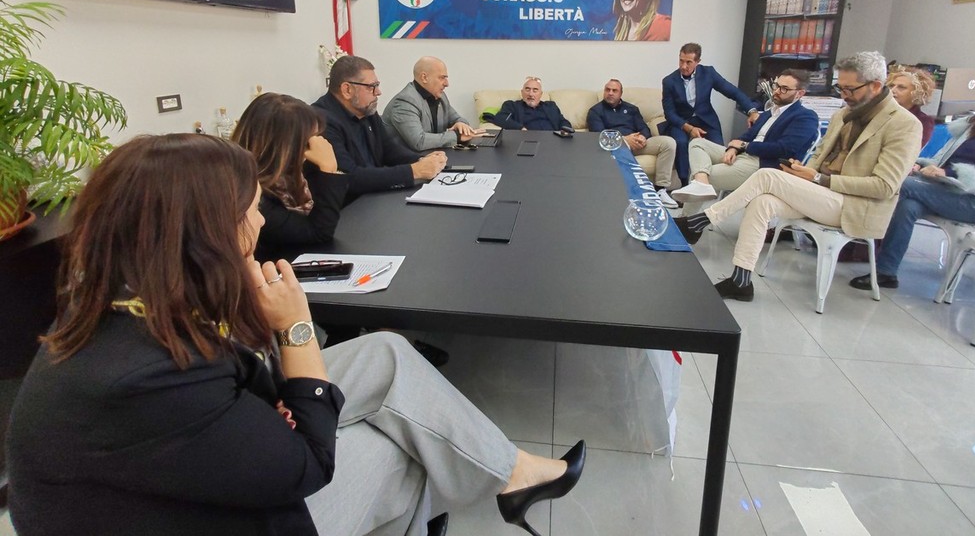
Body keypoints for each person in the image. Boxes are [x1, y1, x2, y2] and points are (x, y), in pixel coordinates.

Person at [6, 134, 586, 536]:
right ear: (204, 231)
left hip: (183, 478)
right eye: (248, 210)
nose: (259, 221)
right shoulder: (146, 374)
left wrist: (277, 375)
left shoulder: (127, 295)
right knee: (403, 452)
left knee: (385, 352)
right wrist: (296, 327)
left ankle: (510, 473)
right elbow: (306, 463)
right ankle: (488, 486)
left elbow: (238, 388)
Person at [676, 51, 920, 302]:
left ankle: (699, 222)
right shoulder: (842, 115)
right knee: (762, 202)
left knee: (767, 176)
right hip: (823, 194)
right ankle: (741, 280)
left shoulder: (904, 124)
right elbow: (819, 157)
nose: (843, 95)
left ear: (875, 86)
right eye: (840, 88)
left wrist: (818, 179)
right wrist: (802, 173)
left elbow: (884, 187)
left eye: (849, 89)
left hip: (855, 205)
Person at [849, 77, 975, 291]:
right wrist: (919, 165)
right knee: (908, 205)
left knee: (900, 185)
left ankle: (851, 232)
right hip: (945, 190)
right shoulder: (972, 127)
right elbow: (940, 160)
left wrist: (951, 173)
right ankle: (886, 272)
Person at [671, 69, 819, 202]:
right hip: (744, 155)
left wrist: (745, 146)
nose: (777, 91)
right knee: (698, 143)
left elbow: (784, 149)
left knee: (703, 173)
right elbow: (746, 136)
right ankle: (701, 186)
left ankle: (688, 215)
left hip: (763, 164)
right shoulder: (768, 113)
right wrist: (733, 149)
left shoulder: (805, 116)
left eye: (784, 89)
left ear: (800, 94)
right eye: (776, 86)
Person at [232, 92, 348, 260]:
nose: (315, 146)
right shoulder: (251, 193)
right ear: (285, 147)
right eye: (308, 141)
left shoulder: (296, 171)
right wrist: (329, 170)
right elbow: (318, 232)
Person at [312, 56, 446, 200]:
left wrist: (422, 160)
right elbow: (350, 177)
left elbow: (389, 150)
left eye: (377, 85)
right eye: (371, 86)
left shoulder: (366, 110)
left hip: (374, 195)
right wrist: (414, 171)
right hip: (348, 205)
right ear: (347, 89)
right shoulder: (321, 121)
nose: (378, 92)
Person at [661, 42, 760, 181]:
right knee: (681, 143)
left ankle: (715, 183)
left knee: (718, 148)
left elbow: (733, 92)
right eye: (681, 61)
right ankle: (684, 183)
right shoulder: (669, 81)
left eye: (688, 62)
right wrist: (689, 128)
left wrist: (752, 111)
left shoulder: (708, 73)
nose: (683, 66)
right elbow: (669, 113)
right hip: (681, 122)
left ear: (698, 61)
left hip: (706, 120)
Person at [586, 78, 677, 207]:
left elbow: (644, 128)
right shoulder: (595, 111)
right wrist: (624, 139)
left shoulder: (631, 109)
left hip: (637, 143)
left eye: (614, 90)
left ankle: (660, 189)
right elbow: (600, 135)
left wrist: (643, 137)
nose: (610, 93)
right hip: (615, 145)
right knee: (618, 147)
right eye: (607, 90)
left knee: (668, 143)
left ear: (620, 93)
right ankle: (629, 195)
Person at [381, 56, 481, 150]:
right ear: (424, 78)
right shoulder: (405, 102)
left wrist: (461, 124)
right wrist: (457, 136)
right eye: (442, 78)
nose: (447, 84)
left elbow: (457, 119)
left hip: (432, 155)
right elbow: (419, 141)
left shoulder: (440, 96)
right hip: (406, 159)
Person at [492, 76, 573, 132]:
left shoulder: (550, 106)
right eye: (527, 90)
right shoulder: (512, 105)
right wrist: (520, 128)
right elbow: (500, 118)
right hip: (528, 140)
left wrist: (565, 130)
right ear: (522, 92)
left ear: (541, 94)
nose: (531, 94)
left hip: (552, 140)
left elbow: (563, 121)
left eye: (535, 90)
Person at [887, 67, 937, 147]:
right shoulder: (879, 112)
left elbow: (911, 149)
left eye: (901, 87)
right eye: (891, 86)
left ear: (917, 93)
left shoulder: (923, 121)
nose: (892, 90)